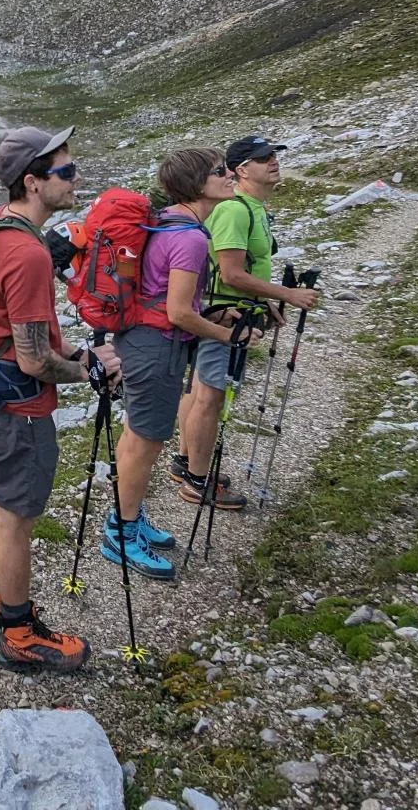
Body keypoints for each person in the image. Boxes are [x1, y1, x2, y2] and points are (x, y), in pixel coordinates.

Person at [0, 127, 121, 672]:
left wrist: (66, 348)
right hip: (18, 406)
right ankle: (20, 630)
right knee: (16, 517)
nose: (75, 179)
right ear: (33, 182)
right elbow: (33, 360)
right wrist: (87, 366)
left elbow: (29, 326)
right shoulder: (28, 252)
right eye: (65, 172)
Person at [103, 147, 255, 580]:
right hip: (157, 347)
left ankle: (128, 516)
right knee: (145, 439)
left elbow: (172, 298)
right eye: (219, 171)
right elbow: (177, 313)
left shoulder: (168, 221)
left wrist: (214, 313)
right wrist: (228, 334)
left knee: (140, 435)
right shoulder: (190, 237)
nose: (229, 175)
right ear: (196, 185)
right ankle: (121, 531)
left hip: (141, 341)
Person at [171, 136, 320, 507]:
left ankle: (187, 462)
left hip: (228, 308)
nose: (273, 162)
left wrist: (264, 300)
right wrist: (287, 295)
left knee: (199, 391)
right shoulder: (237, 210)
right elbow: (232, 273)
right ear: (241, 170)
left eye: (274, 156)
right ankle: (196, 481)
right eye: (263, 158)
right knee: (210, 396)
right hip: (225, 315)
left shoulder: (247, 208)